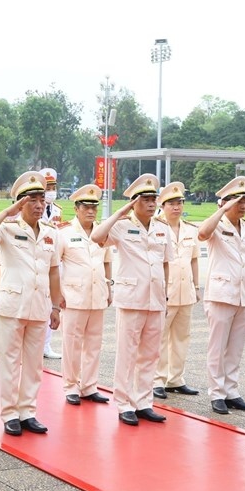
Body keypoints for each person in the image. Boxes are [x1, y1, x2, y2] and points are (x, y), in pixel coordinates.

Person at [0, 171, 62, 436]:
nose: (39, 205)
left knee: (34, 364)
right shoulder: (8, 228)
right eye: (32, 200)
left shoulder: (51, 233)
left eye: (41, 200)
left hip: (39, 305)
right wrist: (8, 211)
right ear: (20, 203)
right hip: (13, 305)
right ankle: (10, 413)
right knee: (10, 363)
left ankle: (28, 412)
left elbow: (54, 271)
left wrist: (56, 306)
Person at [91, 174, 171, 426]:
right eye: (145, 199)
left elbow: (165, 263)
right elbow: (97, 237)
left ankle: (144, 402)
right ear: (135, 202)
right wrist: (119, 211)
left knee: (150, 354)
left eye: (153, 199)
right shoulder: (122, 225)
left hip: (155, 299)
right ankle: (124, 403)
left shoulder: (162, 228)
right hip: (131, 298)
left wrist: (165, 294)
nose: (151, 204)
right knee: (127, 354)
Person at [197, 176, 245, 415]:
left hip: (243, 295)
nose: (243, 205)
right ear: (224, 203)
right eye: (238, 201)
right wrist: (222, 209)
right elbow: (202, 234)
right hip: (220, 294)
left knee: (236, 347)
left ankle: (231, 391)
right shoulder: (217, 226)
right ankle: (216, 393)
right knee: (217, 346)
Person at [57, 184, 112, 406]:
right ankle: (71, 385)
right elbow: (55, 265)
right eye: (86, 207)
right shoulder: (65, 232)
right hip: (73, 295)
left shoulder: (102, 232)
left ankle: (89, 386)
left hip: (97, 293)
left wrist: (110, 286)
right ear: (77, 208)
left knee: (94, 343)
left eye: (94, 207)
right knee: (72, 343)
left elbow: (107, 261)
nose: (90, 211)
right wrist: (57, 294)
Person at [152, 181, 202, 399]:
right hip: (166, 291)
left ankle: (176, 379)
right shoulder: (155, 228)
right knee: (160, 337)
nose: (176, 207)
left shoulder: (190, 229)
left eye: (180, 203)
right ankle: (157, 380)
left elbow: (194, 260)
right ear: (162, 206)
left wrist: (196, 286)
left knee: (182, 337)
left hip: (185, 291)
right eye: (171, 203)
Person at [39, 167, 62, 360]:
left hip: (53, 259)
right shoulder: (30, 208)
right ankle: (36, 344)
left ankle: (46, 345)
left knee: (52, 304)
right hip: (37, 260)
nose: (51, 191)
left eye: (53, 186)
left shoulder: (58, 211)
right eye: (48, 187)